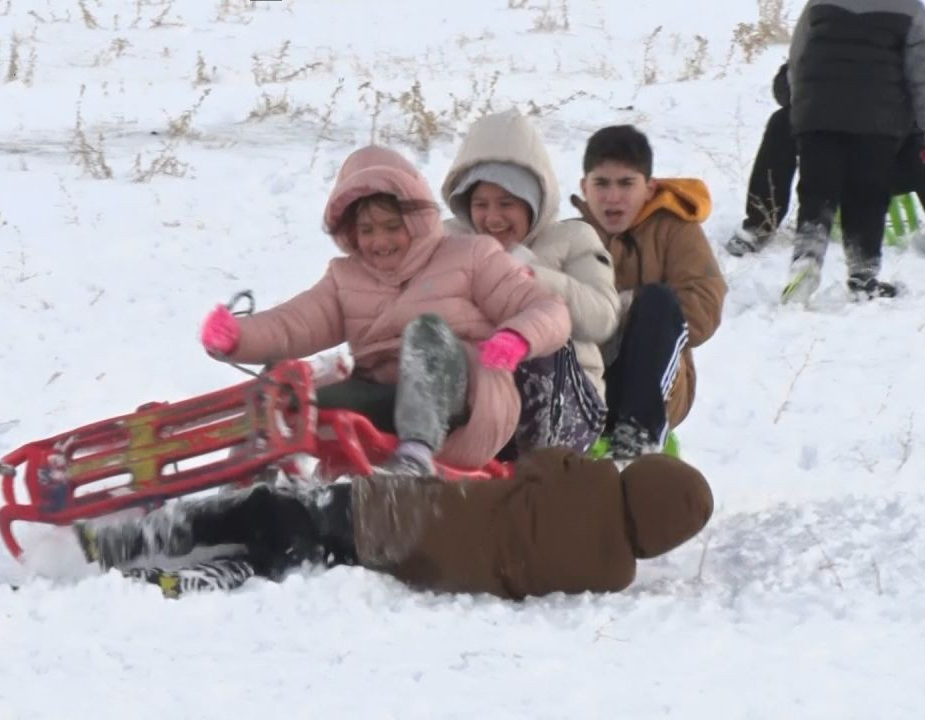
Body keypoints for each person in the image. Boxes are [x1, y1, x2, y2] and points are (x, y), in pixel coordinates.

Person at [199, 145, 572, 476]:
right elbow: (292, 325)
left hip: (460, 397)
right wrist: (236, 336)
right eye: (367, 229)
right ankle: (249, 490)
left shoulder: (472, 255)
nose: (380, 242)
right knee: (284, 386)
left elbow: (547, 308)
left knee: (426, 330)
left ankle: (415, 456)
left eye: (393, 227)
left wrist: (517, 337)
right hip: (383, 397)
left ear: (417, 220)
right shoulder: (345, 277)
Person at [73, 447, 714, 600]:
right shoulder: (613, 572)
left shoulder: (594, 474)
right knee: (294, 556)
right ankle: (212, 577)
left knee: (269, 508)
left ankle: (135, 538)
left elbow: (529, 466)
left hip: (399, 509)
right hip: (409, 561)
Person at [440, 108, 618, 457]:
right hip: (475, 400)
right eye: (481, 204)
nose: (492, 218)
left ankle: (543, 472)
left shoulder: (574, 237)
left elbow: (603, 318)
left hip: (566, 400)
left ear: (532, 201)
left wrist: (531, 276)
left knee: (538, 340)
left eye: (506, 203)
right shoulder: (448, 242)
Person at [571, 125, 727, 460]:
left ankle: (639, 434)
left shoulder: (675, 230)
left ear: (649, 187)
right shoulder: (571, 236)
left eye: (626, 183)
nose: (613, 197)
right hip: (588, 378)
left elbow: (705, 304)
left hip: (656, 379)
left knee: (657, 300)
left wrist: (626, 310)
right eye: (602, 183)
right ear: (585, 187)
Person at [780, 0, 925, 302]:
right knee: (867, 195)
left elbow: (798, 58)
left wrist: (802, 107)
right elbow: (924, 75)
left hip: (818, 114)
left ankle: (806, 260)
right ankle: (863, 277)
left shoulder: (819, 4)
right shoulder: (909, 9)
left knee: (816, 191)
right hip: (877, 120)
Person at [727, 63, 925, 259]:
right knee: (782, 121)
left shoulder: (900, 45)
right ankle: (760, 225)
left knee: (922, 150)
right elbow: (783, 91)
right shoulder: (825, 41)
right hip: (830, 162)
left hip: (886, 163)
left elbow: (923, 106)